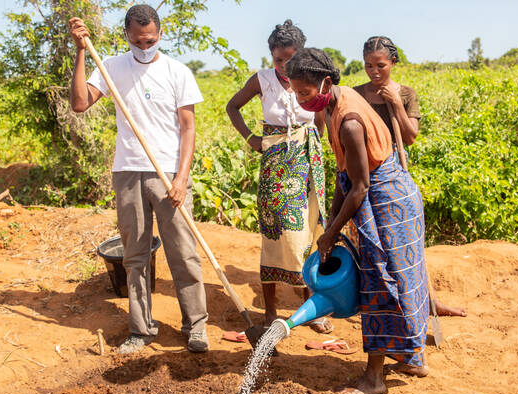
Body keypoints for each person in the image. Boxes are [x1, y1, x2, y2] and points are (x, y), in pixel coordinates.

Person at [287, 48, 430, 394]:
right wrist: (331, 226)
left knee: (378, 281)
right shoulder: (340, 100)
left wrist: (331, 233)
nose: (301, 99)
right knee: (400, 280)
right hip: (389, 195)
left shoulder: (349, 120)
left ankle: (374, 379)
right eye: (295, 93)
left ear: (324, 80)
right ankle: (411, 357)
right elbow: (345, 176)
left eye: (305, 92)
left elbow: (360, 186)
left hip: (386, 202)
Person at [69, 4, 209, 354]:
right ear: (127, 37)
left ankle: (196, 327)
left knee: (184, 253)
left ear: (159, 35)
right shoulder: (111, 66)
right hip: (128, 171)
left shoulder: (178, 72)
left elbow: (189, 128)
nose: (144, 48)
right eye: (137, 42)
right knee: (135, 255)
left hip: (168, 174)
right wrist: (82, 52)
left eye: (150, 41)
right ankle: (142, 329)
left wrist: (180, 179)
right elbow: (80, 104)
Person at [225, 20, 332, 333]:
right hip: (275, 165)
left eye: (290, 59)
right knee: (276, 235)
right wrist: (251, 139)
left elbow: (322, 118)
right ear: (271, 58)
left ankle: (309, 307)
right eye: (278, 60)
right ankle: (271, 310)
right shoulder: (262, 80)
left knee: (308, 236)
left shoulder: (314, 81)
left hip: (308, 164)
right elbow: (232, 107)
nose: (284, 66)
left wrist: (314, 144)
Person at [355, 36, 466, 318]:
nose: (374, 72)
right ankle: (379, 305)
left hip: (393, 173)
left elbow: (411, 136)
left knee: (408, 240)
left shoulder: (405, 93)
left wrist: (396, 104)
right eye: (369, 66)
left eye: (380, 65)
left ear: (393, 62)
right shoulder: (356, 95)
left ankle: (430, 300)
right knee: (373, 243)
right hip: (364, 172)